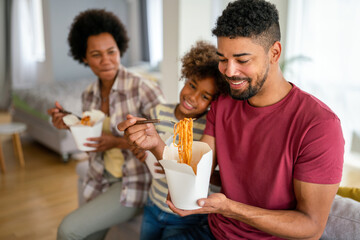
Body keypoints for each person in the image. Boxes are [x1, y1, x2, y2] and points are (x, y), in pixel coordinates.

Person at [118, 0, 345, 239]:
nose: (228, 71)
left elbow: (311, 227)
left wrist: (230, 208)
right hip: (213, 231)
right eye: (223, 59)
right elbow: (195, 172)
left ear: (275, 52)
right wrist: (154, 143)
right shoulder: (223, 104)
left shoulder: (319, 126)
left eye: (242, 60)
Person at [47, 9, 165, 240]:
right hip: (100, 177)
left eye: (111, 52)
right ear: (84, 57)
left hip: (133, 182)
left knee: (67, 230)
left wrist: (117, 142)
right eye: (96, 54)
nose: (106, 61)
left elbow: (166, 137)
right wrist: (68, 123)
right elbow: (89, 129)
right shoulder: (89, 94)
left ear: (120, 49)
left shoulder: (143, 88)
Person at [137, 40, 226, 240]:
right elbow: (147, 151)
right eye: (192, 85)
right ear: (185, 78)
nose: (193, 97)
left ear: (214, 102)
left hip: (186, 215)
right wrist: (142, 152)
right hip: (154, 203)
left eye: (204, 96)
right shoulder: (158, 112)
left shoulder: (208, 131)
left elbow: (208, 173)